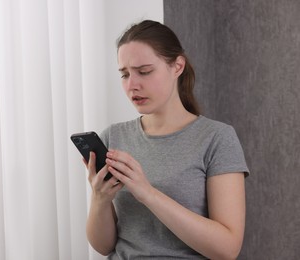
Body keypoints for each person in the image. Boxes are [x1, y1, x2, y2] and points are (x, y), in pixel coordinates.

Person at [83, 20, 249, 259]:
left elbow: (227, 249)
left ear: (177, 66)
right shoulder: (113, 137)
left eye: (145, 71)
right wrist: (100, 198)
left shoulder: (217, 139)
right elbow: (103, 246)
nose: (132, 85)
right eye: (124, 74)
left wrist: (148, 194)